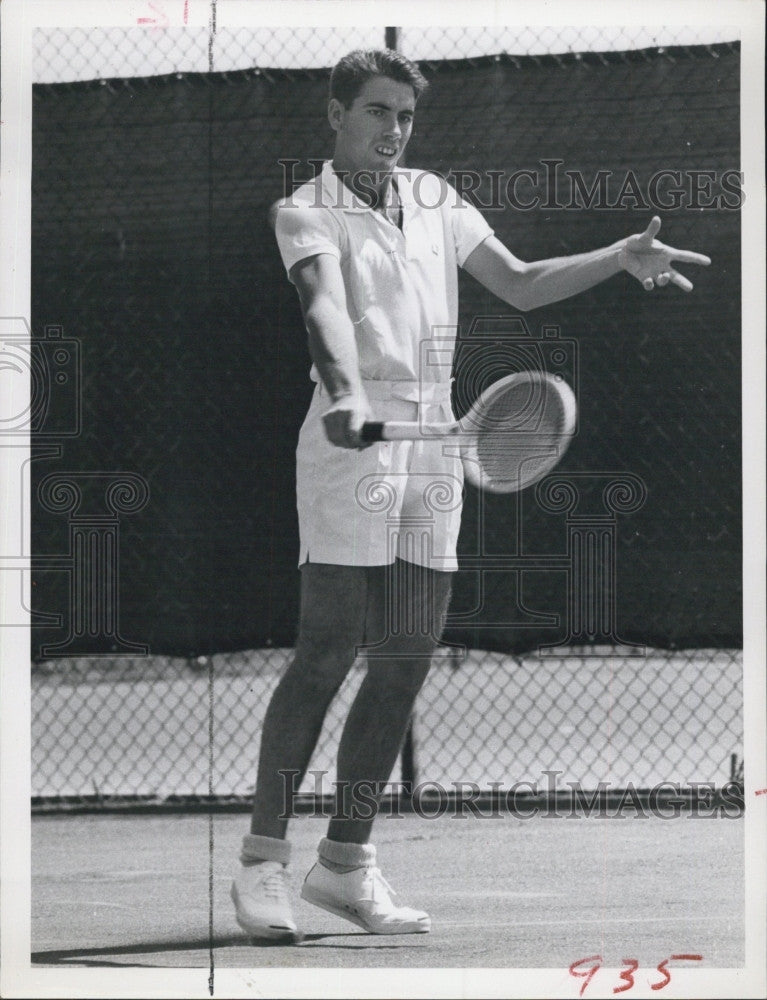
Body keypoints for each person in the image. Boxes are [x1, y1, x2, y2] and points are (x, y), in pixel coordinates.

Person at [231, 48, 711, 942]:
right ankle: (263, 862)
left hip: (438, 440)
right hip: (350, 446)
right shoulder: (302, 211)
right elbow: (323, 309)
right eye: (376, 112)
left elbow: (520, 283)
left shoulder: (438, 200)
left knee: (406, 657)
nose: (393, 130)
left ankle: (345, 864)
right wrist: (342, 392)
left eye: (404, 117)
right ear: (335, 116)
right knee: (326, 652)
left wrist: (617, 256)